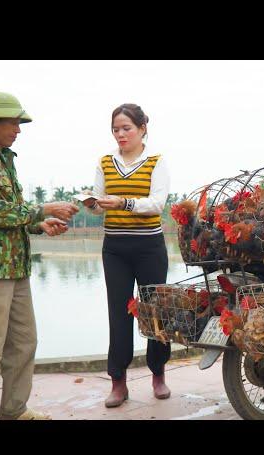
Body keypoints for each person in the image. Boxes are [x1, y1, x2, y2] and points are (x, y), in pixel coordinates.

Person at [0, 91, 79, 420]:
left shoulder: (5, 159)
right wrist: (44, 208)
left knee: (24, 343)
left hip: (15, 266)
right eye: (12, 122)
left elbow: (12, 215)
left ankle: (14, 410)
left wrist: (40, 224)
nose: (18, 129)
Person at [82, 103, 171, 408]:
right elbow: (98, 205)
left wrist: (123, 203)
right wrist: (93, 204)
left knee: (154, 313)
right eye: (115, 129)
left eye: (126, 128)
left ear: (143, 127)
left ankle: (158, 374)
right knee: (118, 314)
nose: (120, 134)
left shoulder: (156, 162)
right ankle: (118, 382)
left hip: (150, 248)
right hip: (116, 249)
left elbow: (157, 204)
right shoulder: (105, 163)